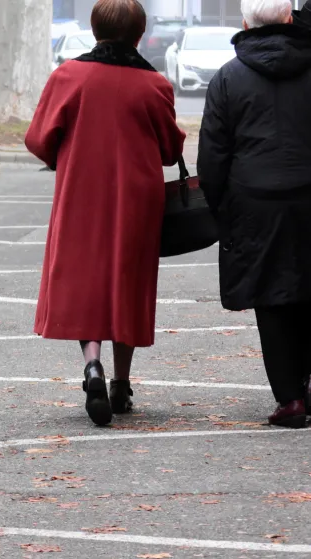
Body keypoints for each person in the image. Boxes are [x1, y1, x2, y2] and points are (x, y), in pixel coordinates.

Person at [24, 0, 185, 426]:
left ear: (95, 31)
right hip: (137, 199)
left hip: (81, 192)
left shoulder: (69, 76)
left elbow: (39, 139)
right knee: (127, 282)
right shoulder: (155, 85)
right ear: (140, 34)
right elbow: (170, 151)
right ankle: (121, 383)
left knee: (84, 279)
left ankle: (91, 364)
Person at [198, 0, 311, 428]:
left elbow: (213, 154)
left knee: (271, 295)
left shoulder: (229, 77)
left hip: (255, 200)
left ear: (245, 23)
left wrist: (220, 206)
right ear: (289, 18)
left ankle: (290, 398)